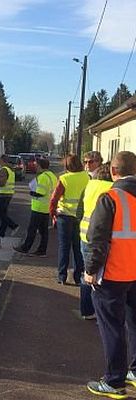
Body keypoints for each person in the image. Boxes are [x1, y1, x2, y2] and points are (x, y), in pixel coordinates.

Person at [84, 151, 136, 399]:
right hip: (134, 272)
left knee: (112, 327)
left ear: (113, 171)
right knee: (134, 323)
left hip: (113, 274)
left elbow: (98, 239)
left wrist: (90, 270)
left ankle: (115, 381)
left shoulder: (111, 198)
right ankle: (134, 372)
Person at [77, 162, 113, 320]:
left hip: (85, 235)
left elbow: (79, 211)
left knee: (87, 273)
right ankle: (101, 314)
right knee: (102, 278)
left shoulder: (89, 186)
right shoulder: (113, 190)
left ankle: (86, 310)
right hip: (105, 238)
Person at [50, 154, 90, 285]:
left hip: (64, 216)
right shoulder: (87, 177)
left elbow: (54, 199)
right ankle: (78, 277)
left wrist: (53, 214)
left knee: (64, 247)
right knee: (78, 248)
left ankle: (62, 276)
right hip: (81, 217)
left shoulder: (64, 178)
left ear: (67, 166)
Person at [14, 158, 57, 257]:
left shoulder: (42, 177)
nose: (36, 167)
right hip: (47, 207)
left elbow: (40, 192)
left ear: (40, 166)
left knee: (32, 229)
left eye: (36, 165)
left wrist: (32, 192)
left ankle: (25, 248)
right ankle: (42, 250)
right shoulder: (52, 176)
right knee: (43, 231)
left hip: (39, 207)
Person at [0, 155, 19, 237]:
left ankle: (13, 225)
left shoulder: (4, 170)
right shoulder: (11, 170)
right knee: (4, 214)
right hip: (9, 194)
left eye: (0, 161)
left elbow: (2, 183)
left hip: (2, 194)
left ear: (3, 161)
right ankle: (1, 233)